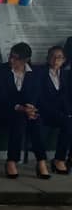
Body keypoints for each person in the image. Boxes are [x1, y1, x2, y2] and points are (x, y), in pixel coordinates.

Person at [0, 42, 49, 180]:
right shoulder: (1, 70)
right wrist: (20, 108)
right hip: (4, 109)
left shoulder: (35, 73)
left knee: (35, 119)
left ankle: (41, 161)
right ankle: (12, 160)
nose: (11, 60)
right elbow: (0, 96)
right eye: (11, 56)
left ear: (26, 60)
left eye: (16, 58)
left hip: (26, 111)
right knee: (19, 119)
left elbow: (37, 94)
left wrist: (30, 107)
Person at [36, 45, 72, 175]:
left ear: (64, 60)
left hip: (60, 113)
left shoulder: (66, 75)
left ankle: (59, 159)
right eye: (53, 56)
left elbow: (67, 96)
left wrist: (68, 113)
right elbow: (38, 97)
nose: (56, 60)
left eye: (59, 57)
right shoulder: (40, 73)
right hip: (43, 111)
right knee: (66, 122)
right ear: (47, 58)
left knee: (69, 122)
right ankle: (48, 160)